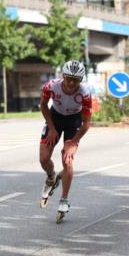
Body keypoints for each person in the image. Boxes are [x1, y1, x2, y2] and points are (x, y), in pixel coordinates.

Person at [39, 59, 93, 223]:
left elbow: (86, 123)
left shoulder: (85, 94)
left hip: (74, 121)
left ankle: (64, 200)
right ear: (63, 76)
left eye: (76, 80)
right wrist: (51, 128)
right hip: (55, 118)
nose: (71, 83)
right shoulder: (51, 86)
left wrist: (73, 142)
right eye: (68, 78)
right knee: (44, 159)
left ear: (81, 80)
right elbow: (43, 105)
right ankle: (51, 177)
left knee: (67, 160)